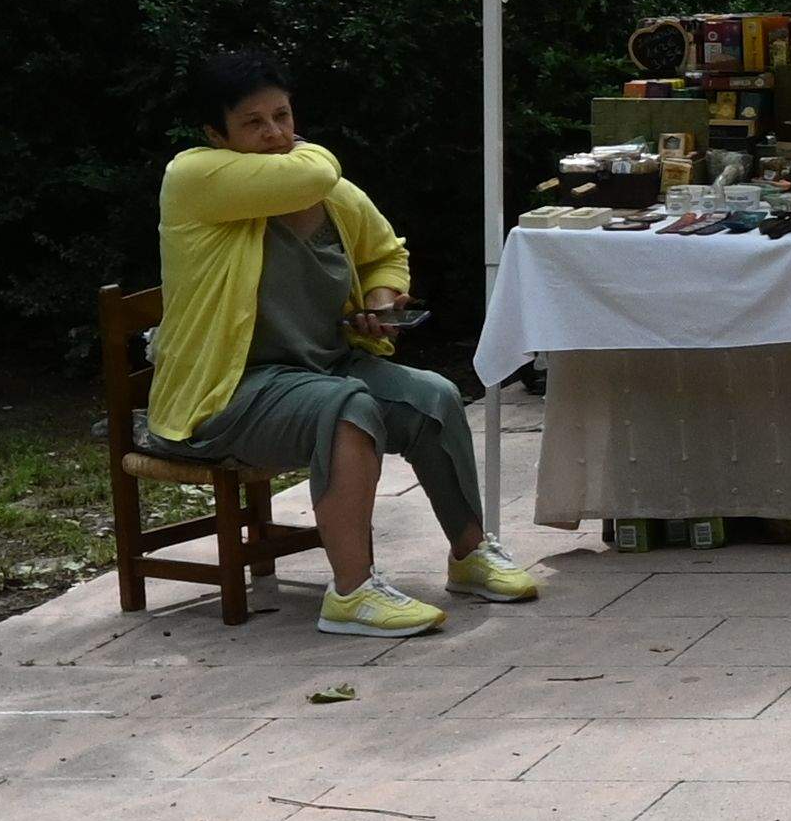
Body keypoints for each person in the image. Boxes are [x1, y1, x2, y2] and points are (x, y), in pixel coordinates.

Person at [147, 49, 552, 642]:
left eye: (282, 116)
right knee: (346, 409)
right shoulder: (193, 177)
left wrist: (385, 299)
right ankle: (352, 593)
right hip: (228, 390)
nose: (274, 134)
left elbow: (386, 251)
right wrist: (315, 157)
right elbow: (312, 172)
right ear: (216, 135)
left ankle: (470, 556)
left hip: (326, 366)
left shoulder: (329, 190)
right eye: (253, 124)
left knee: (434, 396)